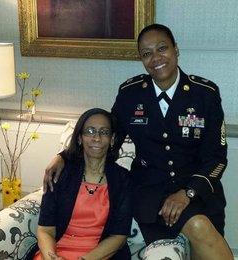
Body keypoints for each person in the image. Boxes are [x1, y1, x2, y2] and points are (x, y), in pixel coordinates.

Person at [44, 24, 234, 260]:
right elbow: (107, 139)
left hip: (199, 190)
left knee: (201, 231)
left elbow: (216, 157)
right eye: (146, 53)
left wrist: (188, 193)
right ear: (141, 59)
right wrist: (63, 156)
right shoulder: (131, 94)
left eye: (162, 48)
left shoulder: (204, 93)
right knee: (197, 226)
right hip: (151, 193)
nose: (155, 58)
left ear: (176, 50)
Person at [34, 108, 133, 260]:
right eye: (90, 131)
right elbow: (45, 230)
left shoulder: (123, 179)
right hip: (56, 252)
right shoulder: (60, 174)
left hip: (99, 256)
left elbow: (119, 236)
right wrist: (50, 257)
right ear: (79, 138)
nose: (97, 138)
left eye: (104, 132)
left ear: (112, 139)